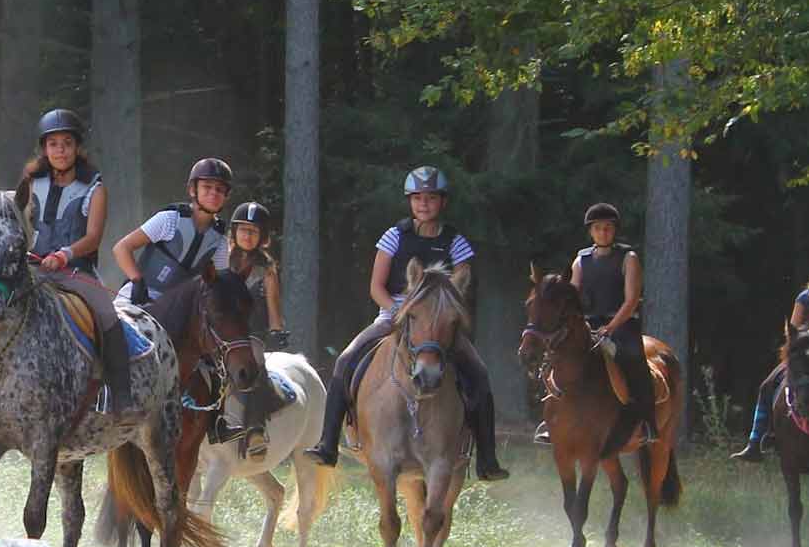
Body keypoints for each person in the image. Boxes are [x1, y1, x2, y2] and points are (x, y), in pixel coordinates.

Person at [0, 107, 122, 438]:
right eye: (53, 144)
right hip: (31, 269)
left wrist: (64, 254)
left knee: (107, 317)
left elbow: (94, 237)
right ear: (44, 148)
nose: (60, 150)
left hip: (76, 272)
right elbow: (14, 226)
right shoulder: (30, 184)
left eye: (67, 143)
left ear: (76, 148)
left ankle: (116, 395)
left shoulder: (94, 188)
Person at [304, 166, 509, 481]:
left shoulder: (455, 241)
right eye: (417, 198)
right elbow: (376, 287)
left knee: (479, 373)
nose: (423, 204)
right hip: (395, 316)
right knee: (345, 360)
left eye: (430, 198)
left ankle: (486, 457)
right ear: (409, 202)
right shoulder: (395, 235)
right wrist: (400, 313)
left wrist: (437, 315)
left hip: (438, 325)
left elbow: (461, 283)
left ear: (442, 202)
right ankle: (328, 442)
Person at [534, 203, 655, 447]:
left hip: (621, 324)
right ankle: (550, 417)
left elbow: (631, 300)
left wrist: (610, 327)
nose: (603, 233)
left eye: (608, 228)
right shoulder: (581, 259)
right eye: (598, 228)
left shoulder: (628, 258)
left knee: (633, 358)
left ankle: (646, 421)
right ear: (591, 231)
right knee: (557, 357)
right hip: (589, 324)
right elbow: (574, 296)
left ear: (615, 230)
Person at [108, 158, 233, 306]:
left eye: (220, 189)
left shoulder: (220, 242)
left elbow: (219, 285)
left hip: (177, 310)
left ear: (226, 196)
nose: (214, 193)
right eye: (207, 187)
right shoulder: (170, 219)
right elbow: (121, 248)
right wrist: (137, 281)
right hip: (139, 296)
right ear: (193, 190)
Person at [223, 201, 286, 446]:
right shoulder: (220, 259)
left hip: (250, 333)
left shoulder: (267, 269)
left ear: (263, 237)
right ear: (235, 231)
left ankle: (255, 429)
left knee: (256, 366)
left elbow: (273, 303)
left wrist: (277, 329)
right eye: (243, 229)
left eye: (254, 231)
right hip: (218, 332)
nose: (247, 235)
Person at [732, 287, 809, 461]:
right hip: (803, 355)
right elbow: (793, 331)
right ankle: (756, 441)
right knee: (768, 384)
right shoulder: (805, 298)